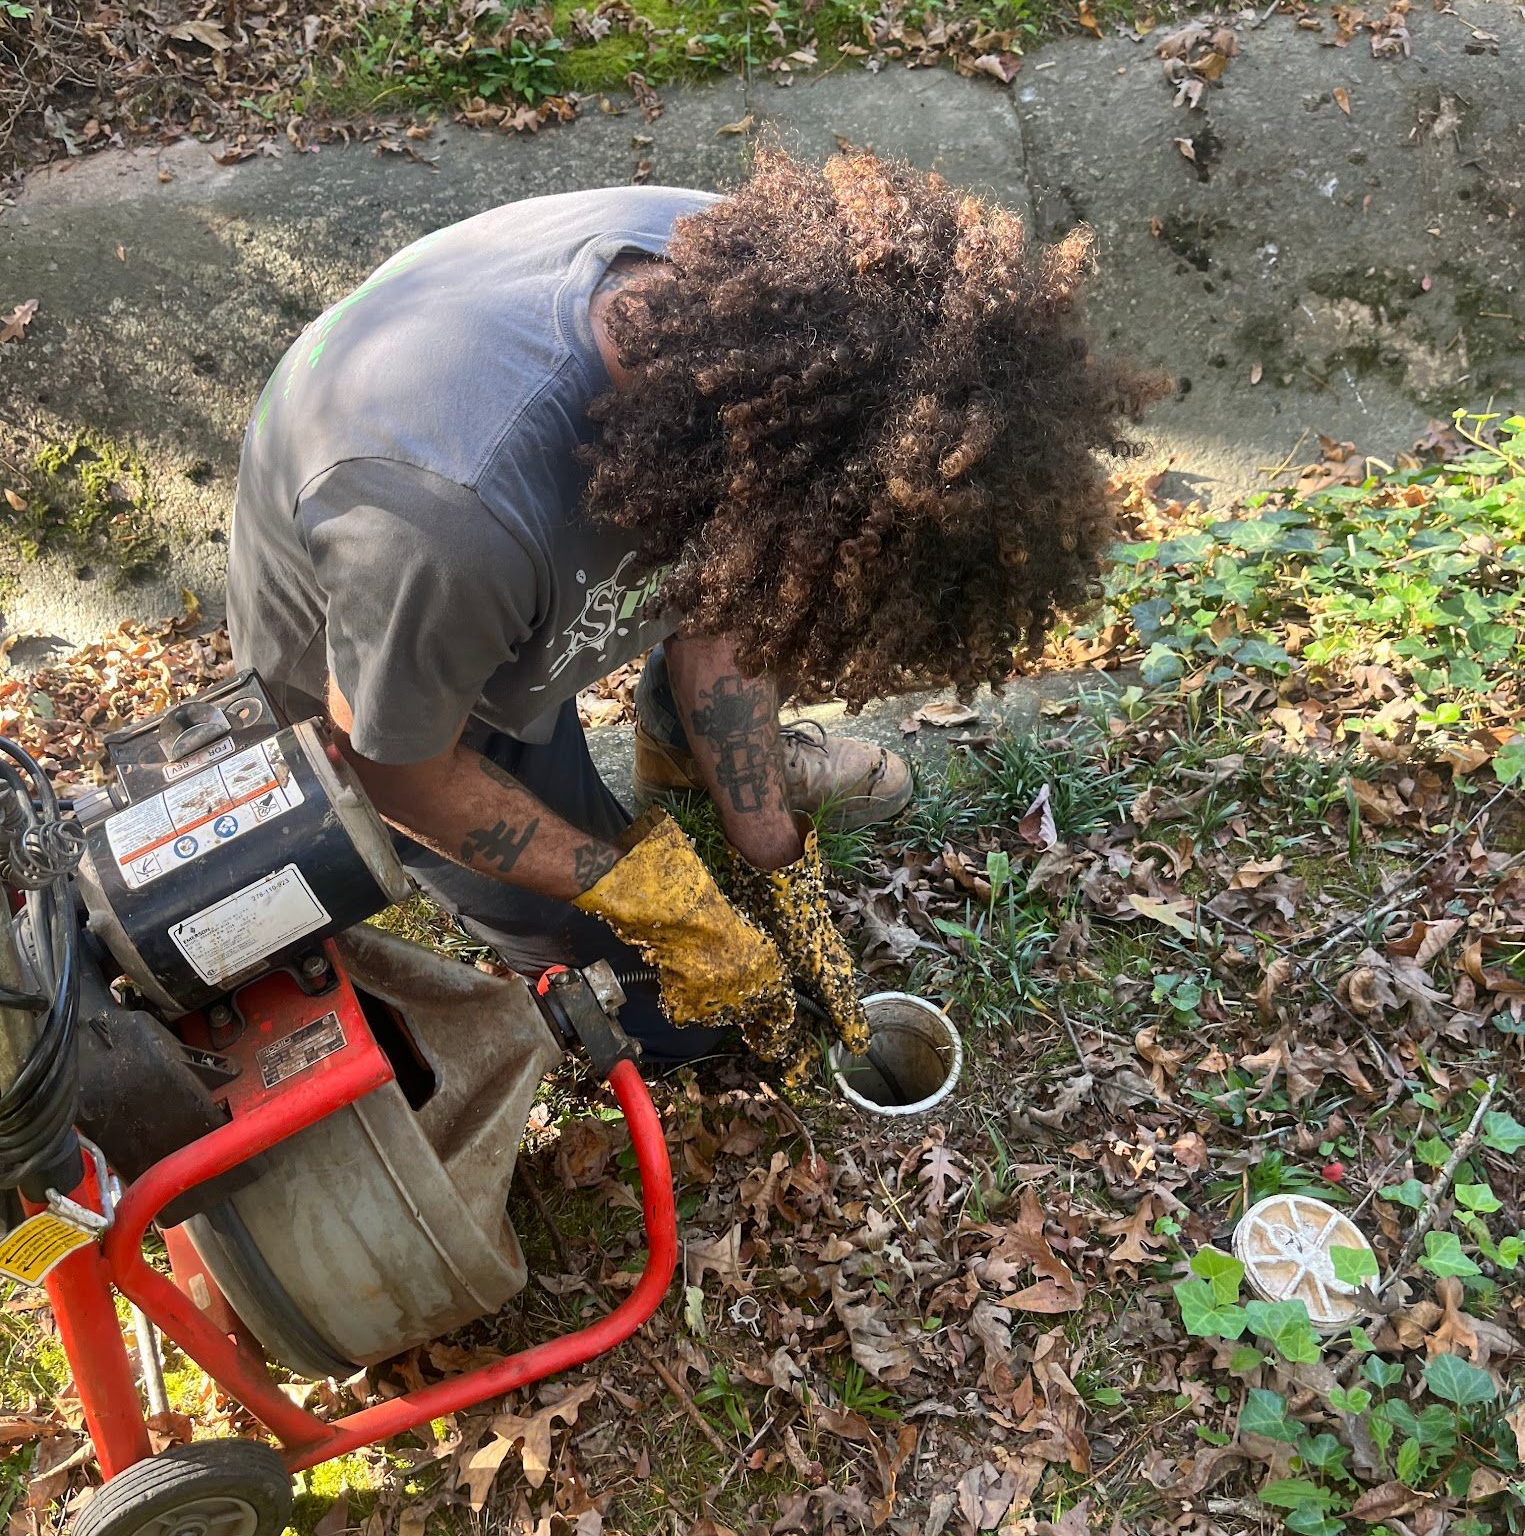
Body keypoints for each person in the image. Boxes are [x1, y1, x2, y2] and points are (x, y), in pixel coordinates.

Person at [226, 144, 1154, 1066]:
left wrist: (767, 847)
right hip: (401, 694)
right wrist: (651, 898)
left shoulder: (788, 342)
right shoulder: (447, 529)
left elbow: (733, 588)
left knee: (770, 579)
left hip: (530, 577)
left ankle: (681, 756)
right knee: (671, 1021)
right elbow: (396, 768)